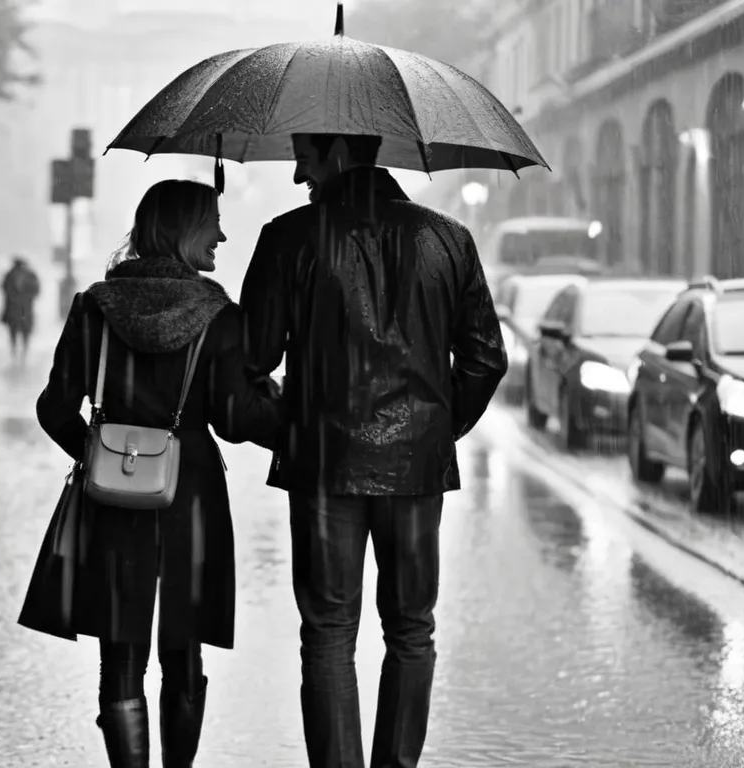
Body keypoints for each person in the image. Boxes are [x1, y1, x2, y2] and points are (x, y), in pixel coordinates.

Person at [239, 133, 508, 768]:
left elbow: (248, 361)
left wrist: (293, 425)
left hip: (325, 468)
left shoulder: (289, 238)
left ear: (336, 155)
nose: (298, 169)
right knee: (412, 629)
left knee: (329, 633)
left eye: (304, 153)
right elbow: (485, 359)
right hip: (415, 473)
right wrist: (433, 432)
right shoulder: (447, 239)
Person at [27, 179, 282, 767]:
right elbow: (235, 417)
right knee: (183, 649)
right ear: (184, 231)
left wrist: (100, 458)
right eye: (212, 221)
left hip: (112, 496)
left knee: (120, 653)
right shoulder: (220, 317)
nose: (221, 233)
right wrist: (292, 413)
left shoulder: (95, 307)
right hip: (190, 495)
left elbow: (55, 408)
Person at [0, 255, 41, 365]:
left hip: (17, 308)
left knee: (16, 330)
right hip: (23, 308)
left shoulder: (10, 275)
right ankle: (21, 352)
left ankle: (18, 352)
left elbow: (4, 288)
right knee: (22, 330)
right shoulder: (29, 275)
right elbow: (36, 290)